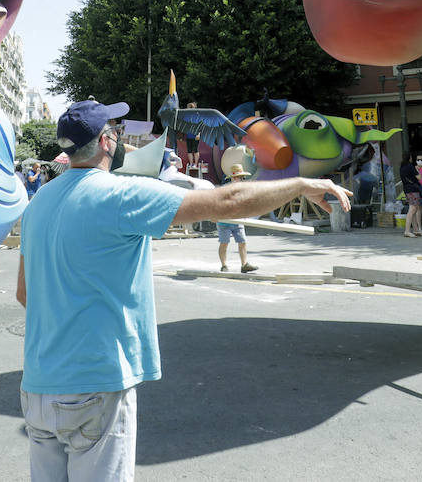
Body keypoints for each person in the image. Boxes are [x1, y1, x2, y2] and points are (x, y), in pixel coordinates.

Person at [18, 99, 352, 481]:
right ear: (107, 141)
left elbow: (25, 293)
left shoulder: (39, 202)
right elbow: (226, 201)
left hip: (38, 387)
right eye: (117, 130)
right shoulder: (119, 195)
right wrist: (301, 183)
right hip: (94, 385)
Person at [216, 163, 258, 273]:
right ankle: (224, 265)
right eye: (236, 177)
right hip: (224, 220)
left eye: (240, 177)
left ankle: (244, 264)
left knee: (242, 242)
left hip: (238, 220)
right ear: (232, 178)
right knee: (224, 243)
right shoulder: (225, 189)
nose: (238, 179)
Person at [398, 159, 422, 237]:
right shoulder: (410, 166)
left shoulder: (402, 167)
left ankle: (415, 230)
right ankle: (407, 230)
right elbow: (419, 177)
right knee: (412, 209)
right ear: (410, 158)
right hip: (413, 190)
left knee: (414, 209)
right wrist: (417, 170)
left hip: (407, 190)